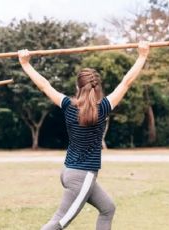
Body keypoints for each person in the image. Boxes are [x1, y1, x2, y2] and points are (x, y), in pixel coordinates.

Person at [18, 41, 150, 230]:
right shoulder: (103, 108)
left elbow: (45, 86)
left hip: (69, 172)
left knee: (108, 208)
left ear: (78, 86)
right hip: (83, 176)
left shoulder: (67, 105)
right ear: (98, 87)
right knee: (58, 223)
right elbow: (126, 83)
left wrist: (26, 64)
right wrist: (142, 56)